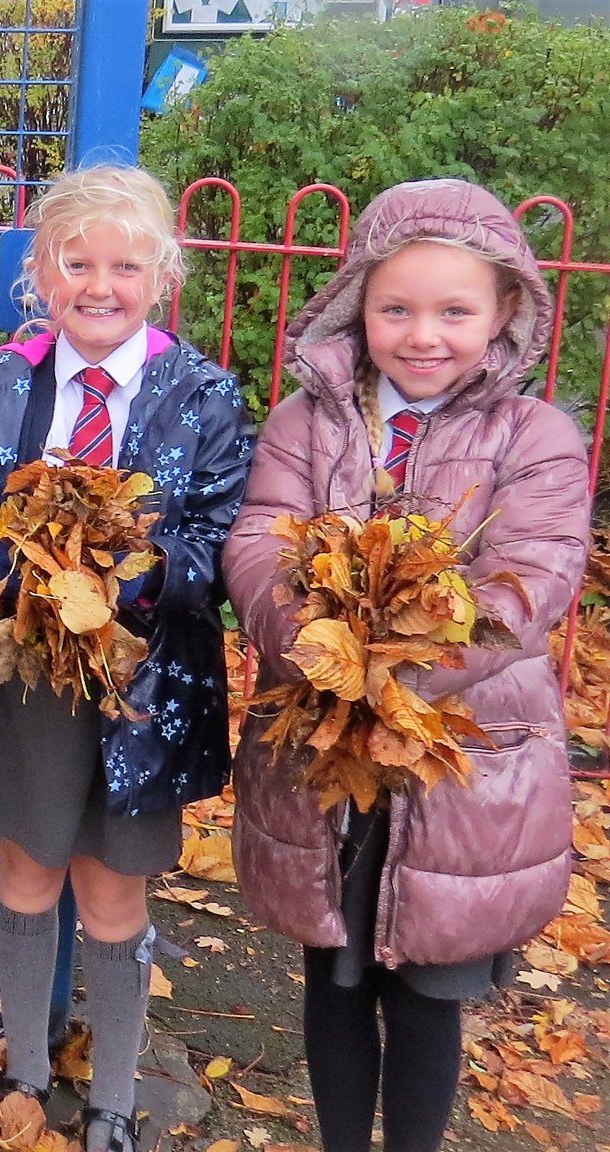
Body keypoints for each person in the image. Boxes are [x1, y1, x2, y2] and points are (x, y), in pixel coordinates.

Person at [223, 179, 587, 1152]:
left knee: (428, 993)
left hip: (460, 764)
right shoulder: (307, 422)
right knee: (332, 976)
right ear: (359, 306)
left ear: (503, 310)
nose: (422, 334)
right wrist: (316, 645)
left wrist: (399, 673)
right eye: (396, 308)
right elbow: (259, 537)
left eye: (452, 311)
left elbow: (528, 583)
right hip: (324, 757)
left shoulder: (534, 440)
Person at [0, 164, 252, 1152]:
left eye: (123, 265)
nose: (98, 284)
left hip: (138, 688)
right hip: (25, 682)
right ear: (40, 274)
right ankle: (25, 1068)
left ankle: (111, 1094)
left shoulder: (200, 393)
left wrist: (129, 579)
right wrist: (5, 554)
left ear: (160, 276)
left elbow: (216, 539)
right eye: (76, 263)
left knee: (110, 888)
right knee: (24, 870)